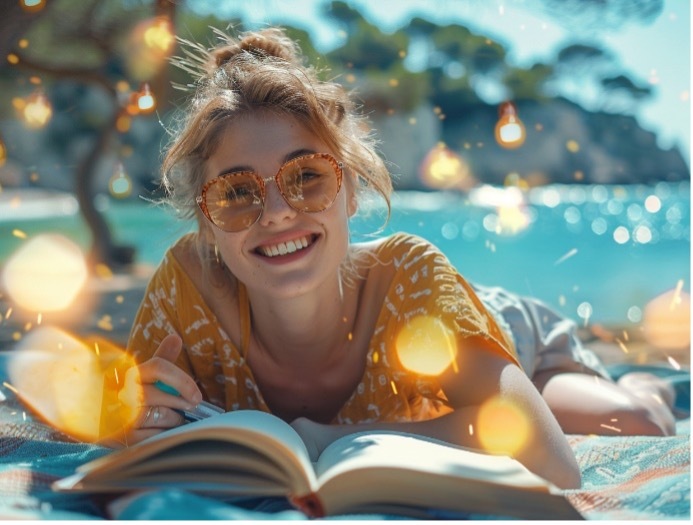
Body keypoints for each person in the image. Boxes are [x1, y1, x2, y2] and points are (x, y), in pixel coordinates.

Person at [121, 27, 675, 491]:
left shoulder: (410, 271)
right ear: (205, 223)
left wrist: (320, 441)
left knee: (637, 421)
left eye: (307, 177)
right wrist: (135, 420)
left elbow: (553, 462)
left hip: (509, 334)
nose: (275, 213)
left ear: (351, 191)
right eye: (237, 193)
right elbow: (127, 431)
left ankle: (654, 385)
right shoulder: (185, 290)